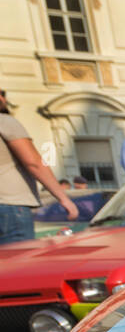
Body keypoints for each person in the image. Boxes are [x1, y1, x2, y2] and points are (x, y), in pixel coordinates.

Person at [0, 87, 78, 243]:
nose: (4, 99)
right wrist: (64, 199)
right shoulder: (6, 122)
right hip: (10, 206)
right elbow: (34, 163)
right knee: (16, 264)